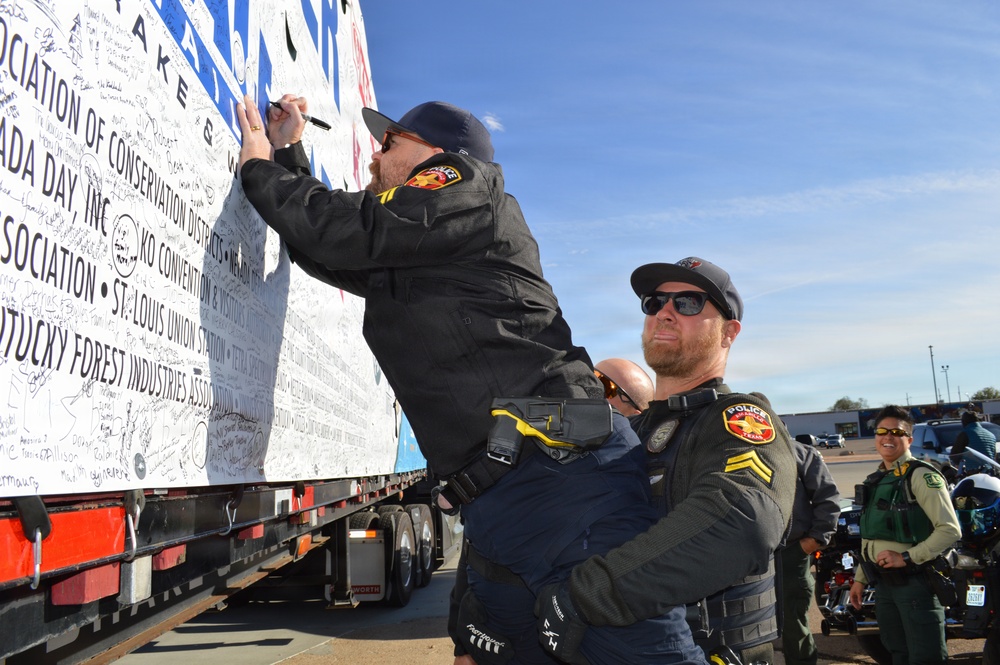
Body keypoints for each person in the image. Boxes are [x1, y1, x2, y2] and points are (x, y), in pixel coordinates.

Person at [237, 97, 705, 664]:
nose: (374, 158)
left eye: (390, 143)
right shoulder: (420, 246)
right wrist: (288, 152)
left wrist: (257, 164)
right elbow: (322, 245)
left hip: (567, 487)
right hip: (507, 499)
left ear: (434, 158)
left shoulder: (466, 180)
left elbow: (344, 230)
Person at [535, 257, 796, 665]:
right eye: (655, 303)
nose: (665, 313)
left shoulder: (735, 419)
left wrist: (587, 595)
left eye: (689, 303)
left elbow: (746, 518)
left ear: (729, 333)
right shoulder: (631, 433)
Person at [848, 405, 961, 665]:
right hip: (884, 584)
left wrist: (907, 557)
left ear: (908, 439)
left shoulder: (921, 476)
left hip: (915, 583)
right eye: (881, 431)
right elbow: (870, 536)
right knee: (897, 654)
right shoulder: (877, 479)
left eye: (896, 432)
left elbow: (950, 530)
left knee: (926, 656)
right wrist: (860, 579)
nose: (887, 437)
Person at [777, 440, 840, 665]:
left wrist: (813, 541)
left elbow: (828, 498)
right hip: (742, 554)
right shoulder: (728, 447)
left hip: (789, 553)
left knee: (793, 625)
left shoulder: (800, 452)